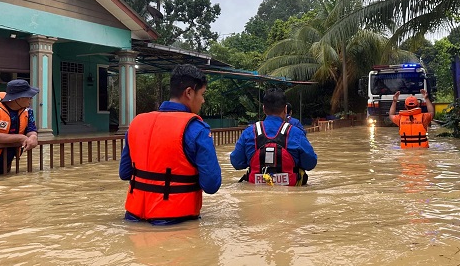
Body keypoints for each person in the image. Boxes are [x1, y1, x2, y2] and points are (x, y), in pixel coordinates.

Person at [119, 64, 222, 225]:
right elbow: (211, 185)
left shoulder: (136, 123)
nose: (203, 100)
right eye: (202, 94)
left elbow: (124, 173)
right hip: (176, 224)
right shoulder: (197, 129)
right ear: (189, 92)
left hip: (132, 219)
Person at [230, 88, 317, 186]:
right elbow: (310, 164)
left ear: (263, 109)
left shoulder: (249, 132)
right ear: (285, 109)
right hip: (289, 195)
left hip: (256, 194)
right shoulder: (296, 133)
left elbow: (236, 162)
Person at [0, 79, 39, 176]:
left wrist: (33, 137)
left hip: (5, 161)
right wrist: (21, 138)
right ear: (18, 98)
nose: (31, 99)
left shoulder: (27, 110)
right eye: (28, 96)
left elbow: (31, 129)